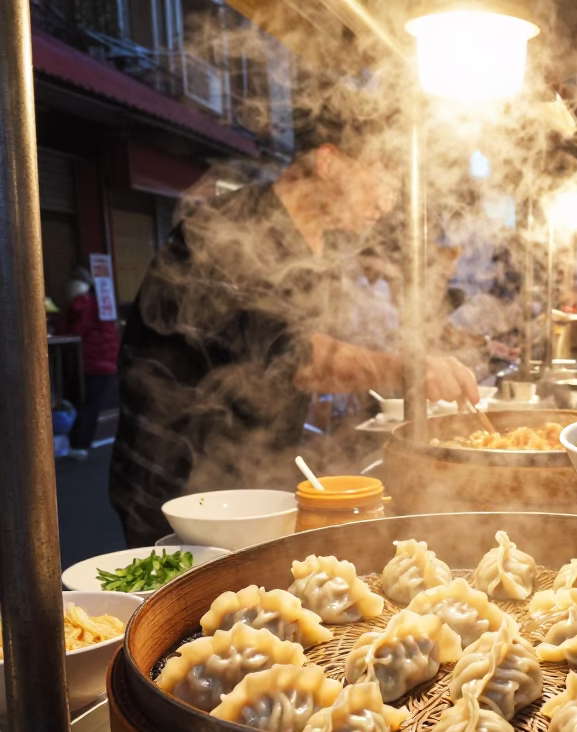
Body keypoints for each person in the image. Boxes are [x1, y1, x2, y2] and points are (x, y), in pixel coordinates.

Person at [110, 121, 478, 546]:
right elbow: (293, 356)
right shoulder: (229, 230)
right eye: (382, 181)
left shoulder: (326, 245)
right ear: (328, 162)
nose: (386, 201)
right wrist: (412, 370)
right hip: (184, 483)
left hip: (259, 470)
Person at [61, 266, 119, 460]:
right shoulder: (102, 302)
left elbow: (75, 330)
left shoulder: (81, 303)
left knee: (84, 404)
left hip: (89, 362)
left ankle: (78, 445)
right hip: (106, 362)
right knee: (91, 405)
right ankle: (82, 444)